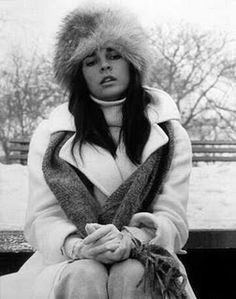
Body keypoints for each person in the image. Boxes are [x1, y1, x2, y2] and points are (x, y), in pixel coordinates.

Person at [0, 2, 197, 299]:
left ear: (132, 62)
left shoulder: (169, 134)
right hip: (68, 261)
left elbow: (173, 218)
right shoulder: (52, 134)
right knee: (85, 273)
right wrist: (78, 247)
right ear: (79, 74)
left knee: (133, 272)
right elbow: (43, 218)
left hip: (146, 254)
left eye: (113, 55)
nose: (104, 65)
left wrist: (131, 241)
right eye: (90, 61)